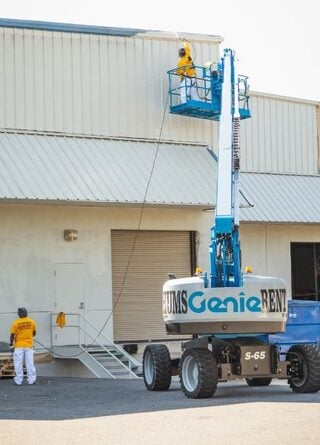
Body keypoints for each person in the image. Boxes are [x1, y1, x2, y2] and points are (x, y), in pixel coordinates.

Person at [9, 307, 37, 385]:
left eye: (19, 312)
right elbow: (34, 333)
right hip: (29, 345)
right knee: (30, 363)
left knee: (18, 363)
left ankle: (18, 381)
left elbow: (12, 335)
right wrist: (28, 336)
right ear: (26, 313)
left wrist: (11, 344)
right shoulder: (32, 322)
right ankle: (31, 380)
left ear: (20, 314)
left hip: (19, 346)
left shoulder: (16, 323)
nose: (18, 314)